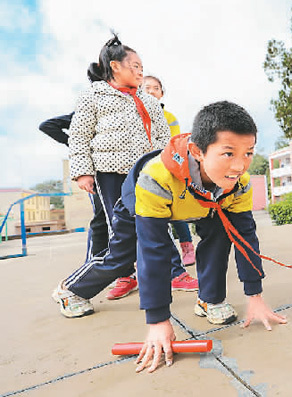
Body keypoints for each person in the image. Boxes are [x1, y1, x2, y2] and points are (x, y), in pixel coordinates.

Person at [53, 101, 289, 373]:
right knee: (123, 257)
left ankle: (210, 299)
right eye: (228, 154)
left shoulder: (239, 183)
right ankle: (71, 291)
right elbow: (153, 250)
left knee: (222, 234)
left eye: (248, 152)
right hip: (140, 203)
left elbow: (246, 237)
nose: (240, 165)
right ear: (197, 152)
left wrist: (254, 295)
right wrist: (158, 321)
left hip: (201, 203)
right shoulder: (156, 177)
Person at [52, 33, 197, 309]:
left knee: (157, 223)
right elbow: (79, 135)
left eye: (143, 66)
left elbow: (163, 139)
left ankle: (175, 272)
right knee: (122, 237)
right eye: (135, 65)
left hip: (146, 175)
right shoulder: (93, 95)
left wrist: (170, 169)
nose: (141, 71)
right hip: (110, 175)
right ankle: (75, 288)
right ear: (115, 66)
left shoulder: (150, 101)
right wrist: (83, 172)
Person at [39, 113, 109, 260]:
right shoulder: (87, 112)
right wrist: (71, 142)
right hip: (97, 172)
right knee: (101, 217)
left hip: (122, 170)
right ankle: (94, 261)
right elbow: (47, 125)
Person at [142, 75, 196, 266]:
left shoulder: (169, 118)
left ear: (162, 94)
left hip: (165, 166)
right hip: (143, 171)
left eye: (156, 88)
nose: (151, 91)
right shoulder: (133, 116)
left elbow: (174, 143)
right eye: (146, 88)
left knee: (176, 211)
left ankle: (188, 247)